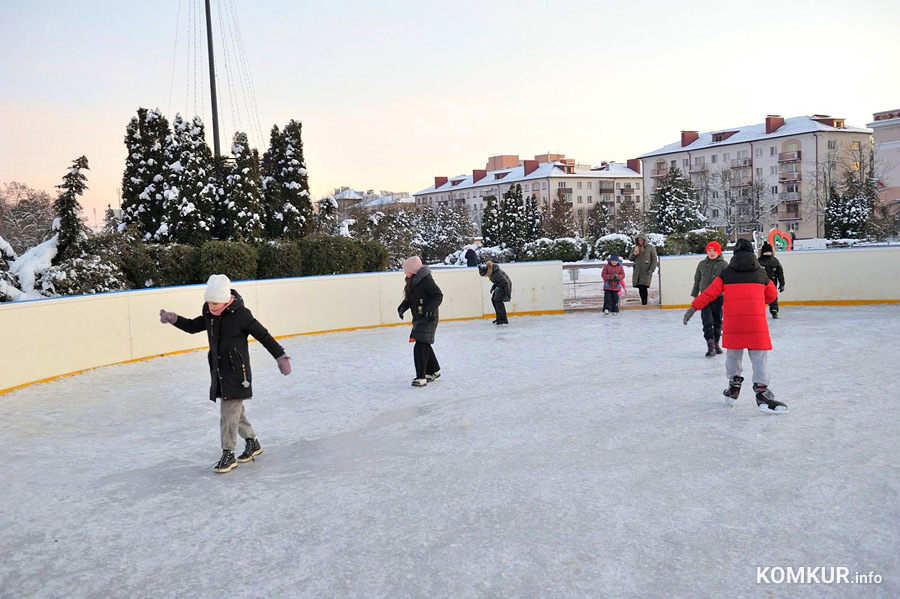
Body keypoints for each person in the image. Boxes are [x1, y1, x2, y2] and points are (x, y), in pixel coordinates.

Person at [159, 274, 292, 473]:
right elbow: (195, 326)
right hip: (218, 370)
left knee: (228, 414)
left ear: (224, 299)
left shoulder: (241, 315)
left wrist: (280, 357)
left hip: (238, 373)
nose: (211, 306)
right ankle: (252, 442)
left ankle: (228, 453)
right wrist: (174, 319)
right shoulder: (209, 312)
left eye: (215, 302)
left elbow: (263, 335)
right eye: (208, 302)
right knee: (234, 411)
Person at [683, 239, 788, 413]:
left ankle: (733, 387)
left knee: (733, 355)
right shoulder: (761, 274)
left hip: (734, 323)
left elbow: (709, 293)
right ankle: (762, 391)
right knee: (759, 356)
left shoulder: (726, 273)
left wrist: (693, 308)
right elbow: (772, 295)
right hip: (756, 323)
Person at [398, 256, 444, 387]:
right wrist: (402, 308)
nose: (404, 272)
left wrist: (430, 310)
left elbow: (438, 295)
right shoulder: (413, 282)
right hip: (420, 317)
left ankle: (421, 377)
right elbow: (410, 300)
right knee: (423, 342)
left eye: (406, 269)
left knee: (420, 344)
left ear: (413, 269)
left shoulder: (426, 281)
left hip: (429, 317)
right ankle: (434, 370)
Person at [691, 241, 727, 356]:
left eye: (714, 250)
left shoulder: (724, 265)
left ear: (719, 251)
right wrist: (695, 293)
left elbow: (727, 282)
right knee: (707, 321)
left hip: (718, 298)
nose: (711, 253)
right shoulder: (702, 264)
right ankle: (710, 345)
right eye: (709, 250)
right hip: (704, 297)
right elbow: (697, 279)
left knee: (717, 321)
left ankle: (716, 343)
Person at [758, 241, 785, 319]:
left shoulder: (774, 261)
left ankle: (774, 311)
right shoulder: (759, 261)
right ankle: (772, 311)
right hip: (762, 283)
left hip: (769, 283)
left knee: (772, 297)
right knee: (769, 298)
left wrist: (782, 283)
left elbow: (780, 273)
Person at [629, 233, 658, 305]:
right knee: (640, 287)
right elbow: (630, 258)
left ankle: (644, 303)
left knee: (644, 286)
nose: (640, 241)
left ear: (645, 240)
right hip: (637, 271)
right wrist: (634, 254)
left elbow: (654, 259)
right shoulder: (635, 248)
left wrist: (651, 269)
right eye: (639, 240)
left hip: (646, 271)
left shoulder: (650, 248)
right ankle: (643, 302)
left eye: (641, 240)